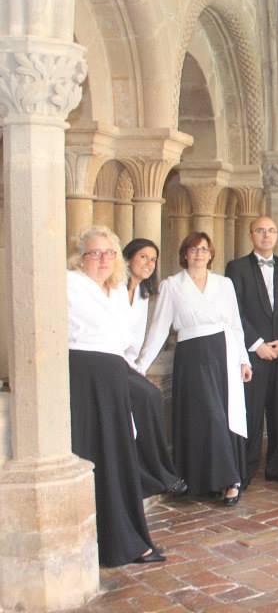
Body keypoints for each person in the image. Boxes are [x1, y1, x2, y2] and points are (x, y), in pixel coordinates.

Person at [68, 226, 163, 566]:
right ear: (81, 258)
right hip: (85, 375)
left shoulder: (116, 289)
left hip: (112, 373)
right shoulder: (70, 283)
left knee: (119, 456)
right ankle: (108, 543)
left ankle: (128, 540)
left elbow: (124, 339)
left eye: (109, 252)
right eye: (95, 253)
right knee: (99, 455)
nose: (103, 259)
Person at [137, 232, 252, 506]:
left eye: (203, 249)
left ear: (211, 254)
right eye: (193, 249)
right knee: (205, 415)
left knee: (222, 414)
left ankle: (230, 480)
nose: (199, 254)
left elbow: (235, 325)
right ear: (185, 254)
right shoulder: (171, 285)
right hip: (191, 355)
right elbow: (160, 327)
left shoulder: (224, 284)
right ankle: (207, 479)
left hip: (223, 352)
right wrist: (140, 364)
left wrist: (244, 359)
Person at [225, 216, 278, 488]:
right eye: (260, 230)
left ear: (277, 234)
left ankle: (277, 466)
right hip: (253, 354)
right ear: (251, 235)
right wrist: (257, 344)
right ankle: (246, 470)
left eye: (271, 230)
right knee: (252, 413)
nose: (266, 235)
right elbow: (235, 311)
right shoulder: (236, 268)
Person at [122, 238, 185, 498]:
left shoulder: (141, 294)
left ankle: (158, 472)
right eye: (143, 257)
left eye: (153, 259)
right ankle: (157, 473)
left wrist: (138, 366)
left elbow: (136, 340)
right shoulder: (115, 288)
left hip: (125, 363)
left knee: (150, 397)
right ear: (127, 259)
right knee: (148, 396)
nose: (148, 263)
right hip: (106, 361)